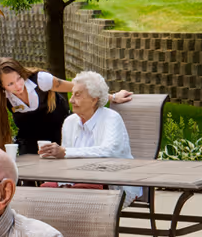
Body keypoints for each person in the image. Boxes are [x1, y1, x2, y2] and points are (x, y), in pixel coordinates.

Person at [0, 56, 133, 155]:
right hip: (30, 138)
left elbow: (78, 88)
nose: (18, 86)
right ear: (1, 85)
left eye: (19, 78)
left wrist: (111, 97)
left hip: (59, 130)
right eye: (10, 84)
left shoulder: (41, 80)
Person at [39, 70, 142, 205]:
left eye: (77, 95)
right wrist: (63, 182)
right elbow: (65, 162)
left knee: (76, 196)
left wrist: (65, 152)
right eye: (71, 94)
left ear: (94, 99)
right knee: (42, 193)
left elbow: (108, 151)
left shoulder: (111, 118)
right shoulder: (70, 122)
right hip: (76, 181)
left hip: (113, 183)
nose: (71, 100)